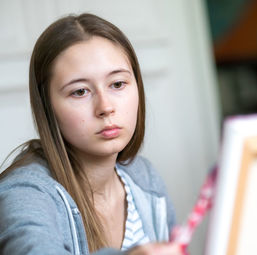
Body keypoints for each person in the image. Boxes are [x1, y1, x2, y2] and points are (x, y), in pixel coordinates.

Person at [0, 13, 183, 255]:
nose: (105, 107)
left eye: (117, 84)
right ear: (47, 106)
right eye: (80, 92)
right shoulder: (24, 192)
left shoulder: (144, 178)